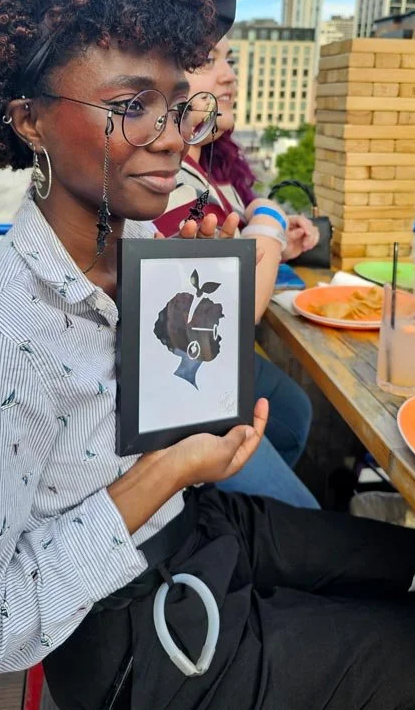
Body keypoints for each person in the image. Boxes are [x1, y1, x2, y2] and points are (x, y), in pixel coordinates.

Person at [0, 0, 415, 710]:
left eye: (174, 106)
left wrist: (192, 345)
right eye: (128, 107)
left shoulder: (141, 249)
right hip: (138, 631)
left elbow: (168, 394)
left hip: (202, 527)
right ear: (27, 120)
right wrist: (164, 471)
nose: (173, 137)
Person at [154, 31, 318, 507]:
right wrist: (267, 218)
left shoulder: (210, 171)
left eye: (228, 60)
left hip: (220, 364)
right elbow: (238, 304)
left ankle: (239, 527)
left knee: (293, 413)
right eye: (207, 60)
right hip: (185, 382)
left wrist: (277, 240)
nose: (228, 76)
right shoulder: (161, 175)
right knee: (301, 512)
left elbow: (230, 255)